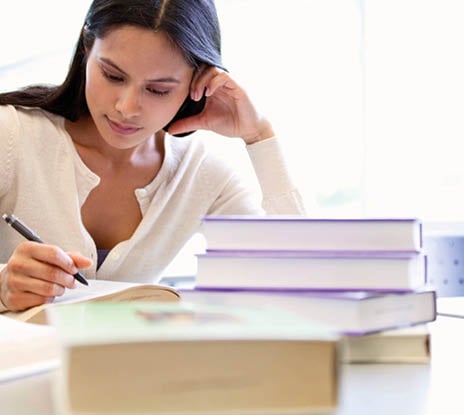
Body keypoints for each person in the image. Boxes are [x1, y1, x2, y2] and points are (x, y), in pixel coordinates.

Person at [0, 0, 305, 312]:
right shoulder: (10, 135)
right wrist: (2, 286)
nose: (127, 108)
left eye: (158, 90)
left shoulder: (201, 171)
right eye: (113, 76)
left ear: (196, 82)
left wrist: (259, 135)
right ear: (87, 47)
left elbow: (301, 281)